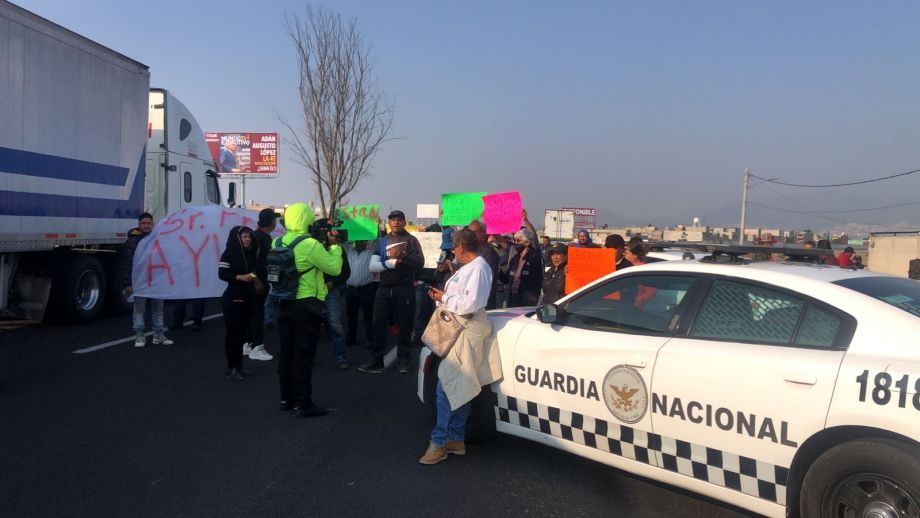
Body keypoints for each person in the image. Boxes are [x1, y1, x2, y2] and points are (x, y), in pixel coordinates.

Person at [418, 229, 503, 465]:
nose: (452, 252)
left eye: (453, 248)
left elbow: (470, 303)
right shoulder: (472, 268)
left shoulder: (478, 268)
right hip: (463, 328)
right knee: (460, 384)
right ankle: (455, 438)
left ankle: (440, 443)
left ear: (460, 247)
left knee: (446, 384)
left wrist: (444, 298)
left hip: (467, 328)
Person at [276, 203, 343, 418]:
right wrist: (335, 247)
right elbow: (334, 268)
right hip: (306, 305)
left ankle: (286, 398)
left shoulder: (277, 241)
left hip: (283, 302)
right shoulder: (310, 244)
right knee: (303, 355)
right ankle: (303, 403)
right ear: (306, 219)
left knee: (286, 354)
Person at [359, 210, 424, 375]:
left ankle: (404, 360)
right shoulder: (382, 241)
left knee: (404, 325)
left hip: (404, 289)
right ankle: (376, 361)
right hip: (383, 288)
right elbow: (373, 264)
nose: (396, 222)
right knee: (378, 324)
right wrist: (387, 263)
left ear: (404, 222)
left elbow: (420, 262)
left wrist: (403, 259)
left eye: (399, 220)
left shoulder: (411, 240)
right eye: (393, 220)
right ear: (389, 223)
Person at [121, 212, 173, 348]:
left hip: (156, 280)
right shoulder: (132, 241)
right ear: (139, 225)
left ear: (152, 225)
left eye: (148, 223)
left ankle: (159, 334)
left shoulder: (158, 239)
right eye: (143, 223)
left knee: (158, 309)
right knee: (139, 309)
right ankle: (139, 335)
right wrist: (127, 283)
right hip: (140, 281)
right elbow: (127, 263)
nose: (146, 226)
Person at [217, 226, 261, 380]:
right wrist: (240, 277)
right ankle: (231, 368)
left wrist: (253, 277)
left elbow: (255, 271)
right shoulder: (228, 253)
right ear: (237, 238)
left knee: (242, 336)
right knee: (233, 336)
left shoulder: (251, 254)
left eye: (249, 236)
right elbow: (222, 274)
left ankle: (239, 366)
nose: (247, 239)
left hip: (247, 299)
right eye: (244, 236)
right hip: (233, 299)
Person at [242, 208, 279, 361]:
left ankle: (248, 344)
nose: (276, 222)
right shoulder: (258, 238)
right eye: (275, 219)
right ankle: (257, 347)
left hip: (260, 282)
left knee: (253, 314)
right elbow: (248, 262)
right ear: (271, 221)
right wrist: (256, 280)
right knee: (257, 315)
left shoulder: (263, 236)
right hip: (256, 284)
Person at [321, 224, 351, 370]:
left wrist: (332, 284)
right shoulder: (311, 247)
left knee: (336, 324)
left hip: (331, 291)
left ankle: (341, 357)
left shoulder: (338, 249)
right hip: (312, 291)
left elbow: (346, 272)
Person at [345, 240, 377, 347]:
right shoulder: (349, 250)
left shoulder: (371, 251)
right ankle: (351, 337)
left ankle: (370, 339)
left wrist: (373, 229)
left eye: (362, 240)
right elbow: (340, 241)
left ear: (366, 241)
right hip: (351, 289)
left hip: (366, 289)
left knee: (368, 315)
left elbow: (377, 241)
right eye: (358, 240)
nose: (360, 242)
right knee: (351, 315)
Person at [502, 227, 543, 307]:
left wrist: (534, 293)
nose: (516, 243)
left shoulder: (535, 257)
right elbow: (506, 278)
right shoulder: (515, 257)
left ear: (527, 242)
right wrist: (499, 271)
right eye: (515, 241)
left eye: (518, 240)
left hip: (527, 296)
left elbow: (539, 278)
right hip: (512, 295)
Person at [467, 220, 500, 308]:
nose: (471, 236)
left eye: (474, 232)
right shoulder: (471, 251)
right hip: (470, 302)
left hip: (483, 304)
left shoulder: (489, 253)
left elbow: (486, 281)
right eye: (469, 232)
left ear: (484, 233)